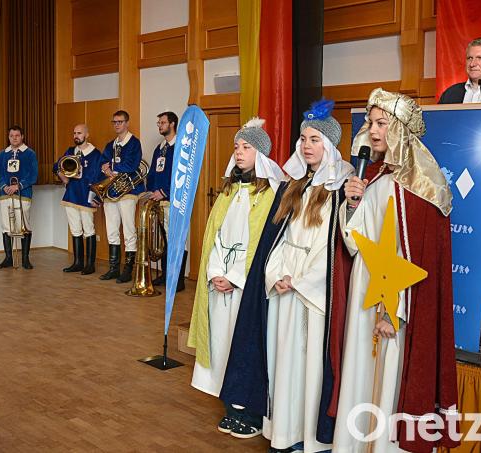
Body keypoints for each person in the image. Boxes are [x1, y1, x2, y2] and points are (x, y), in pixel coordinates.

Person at [220, 100, 354, 452]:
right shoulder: (293, 187)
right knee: (282, 364)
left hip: (313, 294)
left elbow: (335, 249)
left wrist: (301, 281)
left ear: (329, 145)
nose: (306, 146)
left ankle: (310, 438)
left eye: (314, 139)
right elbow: (276, 239)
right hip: (282, 287)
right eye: (303, 139)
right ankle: (284, 432)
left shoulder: (340, 188)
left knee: (309, 368)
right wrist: (276, 273)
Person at [332, 88, 459, 452]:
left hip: (396, 304)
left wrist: (391, 309)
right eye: (370, 123)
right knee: (362, 374)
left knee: (390, 377)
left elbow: (414, 258)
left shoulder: (422, 189)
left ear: (401, 129)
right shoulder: (373, 178)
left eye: (381, 123)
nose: (372, 131)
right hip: (364, 293)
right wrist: (352, 203)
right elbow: (355, 242)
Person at [188, 118, 284, 439]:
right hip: (221, 283)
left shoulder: (271, 195)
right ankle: (231, 406)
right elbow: (215, 237)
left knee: (244, 343)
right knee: (221, 343)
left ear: (262, 153)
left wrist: (234, 277)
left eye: (247, 147)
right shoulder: (229, 191)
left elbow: (262, 243)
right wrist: (216, 273)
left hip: (246, 285)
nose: (239, 152)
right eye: (237, 147)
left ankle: (250, 410)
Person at [97, 110, 145, 283]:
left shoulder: (134, 143)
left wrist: (112, 168)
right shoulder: (111, 144)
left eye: (120, 121)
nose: (117, 124)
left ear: (127, 123)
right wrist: (106, 168)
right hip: (111, 192)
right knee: (112, 230)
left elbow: (132, 164)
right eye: (114, 122)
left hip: (128, 192)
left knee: (129, 230)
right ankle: (113, 268)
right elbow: (102, 161)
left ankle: (128, 270)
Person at [145, 111, 186, 292]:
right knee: (163, 240)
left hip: (174, 202)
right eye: (158, 123)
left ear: (172, 124)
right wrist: (151, 190)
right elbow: (153, 172)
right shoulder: (160, 148)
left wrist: (164, 192)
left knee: (177, 240)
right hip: (159, 202)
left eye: (162, 122)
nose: (159, 125)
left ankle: (178, 280)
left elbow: (182, 176)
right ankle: (166, 274)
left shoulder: (181, 146)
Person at [53, 124, 101, 275]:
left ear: (87, 135)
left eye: (79, 133)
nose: (76, 136)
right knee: (75, 230)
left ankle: (90, 265)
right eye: (74, 133)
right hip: (71, 195)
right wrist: (63, 177)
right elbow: (57, 166)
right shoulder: (70, 151)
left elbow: (99, 178)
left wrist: (97, 198)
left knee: (89, 230)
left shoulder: (96, 154)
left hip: (86, 196)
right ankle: (78, 262)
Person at [0, 125, 38, 269]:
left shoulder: (30, 153)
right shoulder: (2, 154)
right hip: (5, 195)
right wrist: (4, 186)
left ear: (22, 136)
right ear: (8, 137)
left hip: (23, 195)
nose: (14, 138)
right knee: (7, 225)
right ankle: (8, 258)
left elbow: (33, 175)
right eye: (11, 136)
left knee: (23, 225)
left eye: (17, 135)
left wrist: (18, 186)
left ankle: (25, 259)